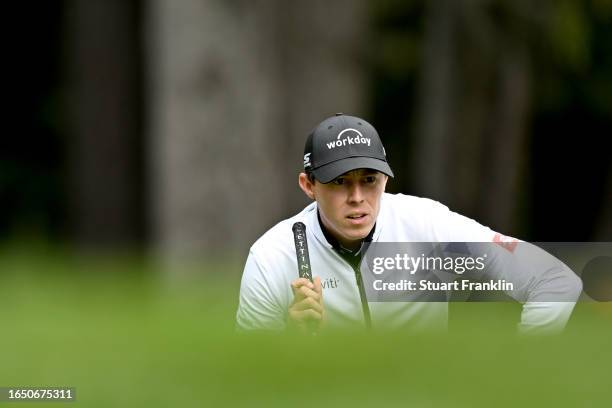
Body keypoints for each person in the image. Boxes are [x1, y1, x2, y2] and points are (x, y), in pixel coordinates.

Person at [235, 113, 582, 333]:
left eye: (369, 180)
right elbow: (242, 383)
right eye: (339, 182)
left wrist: (521, 373)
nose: (357, 197)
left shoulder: (429, 226)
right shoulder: (272, 256)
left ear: (386, 180)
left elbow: (554, 279)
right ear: (308, 186)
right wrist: (284, 344)